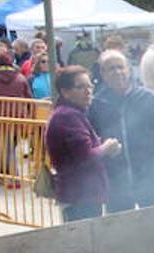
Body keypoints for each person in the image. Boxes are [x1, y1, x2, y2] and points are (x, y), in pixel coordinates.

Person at [45, 66, 121, 222]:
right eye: (80, 87)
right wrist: (106, 147)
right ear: (65, 92)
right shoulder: (68, 116)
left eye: (90, 86)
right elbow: (85, 156)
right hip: (80, 196)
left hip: (81, 194)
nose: (88, 91)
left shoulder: (71, 113)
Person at [91, 50, 154, 210]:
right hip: (115, 180)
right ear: (102, 73)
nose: (117, 72)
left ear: (129, 69)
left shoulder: (148, 98)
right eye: (111, 68)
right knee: (120, 222)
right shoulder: (97, 103)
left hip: (147, 175)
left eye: (120, 67)